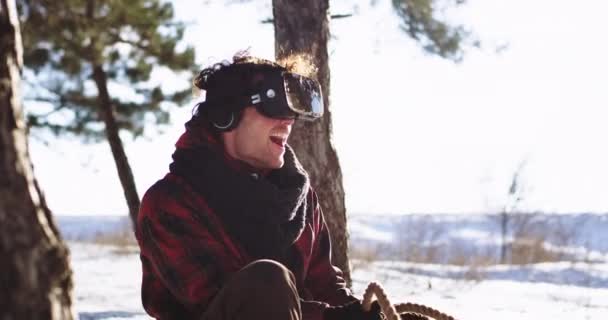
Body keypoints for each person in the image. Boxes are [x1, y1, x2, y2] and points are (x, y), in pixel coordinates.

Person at [135, 54, 385, 320]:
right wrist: (330, 319)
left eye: (292, 111)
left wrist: (358, 313)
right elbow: (244, 303)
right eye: (274, 106)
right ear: (226, 115)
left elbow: (324, 283)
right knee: (266, 279)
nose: (288, 121)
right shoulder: (170, 203)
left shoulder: (295, 193)